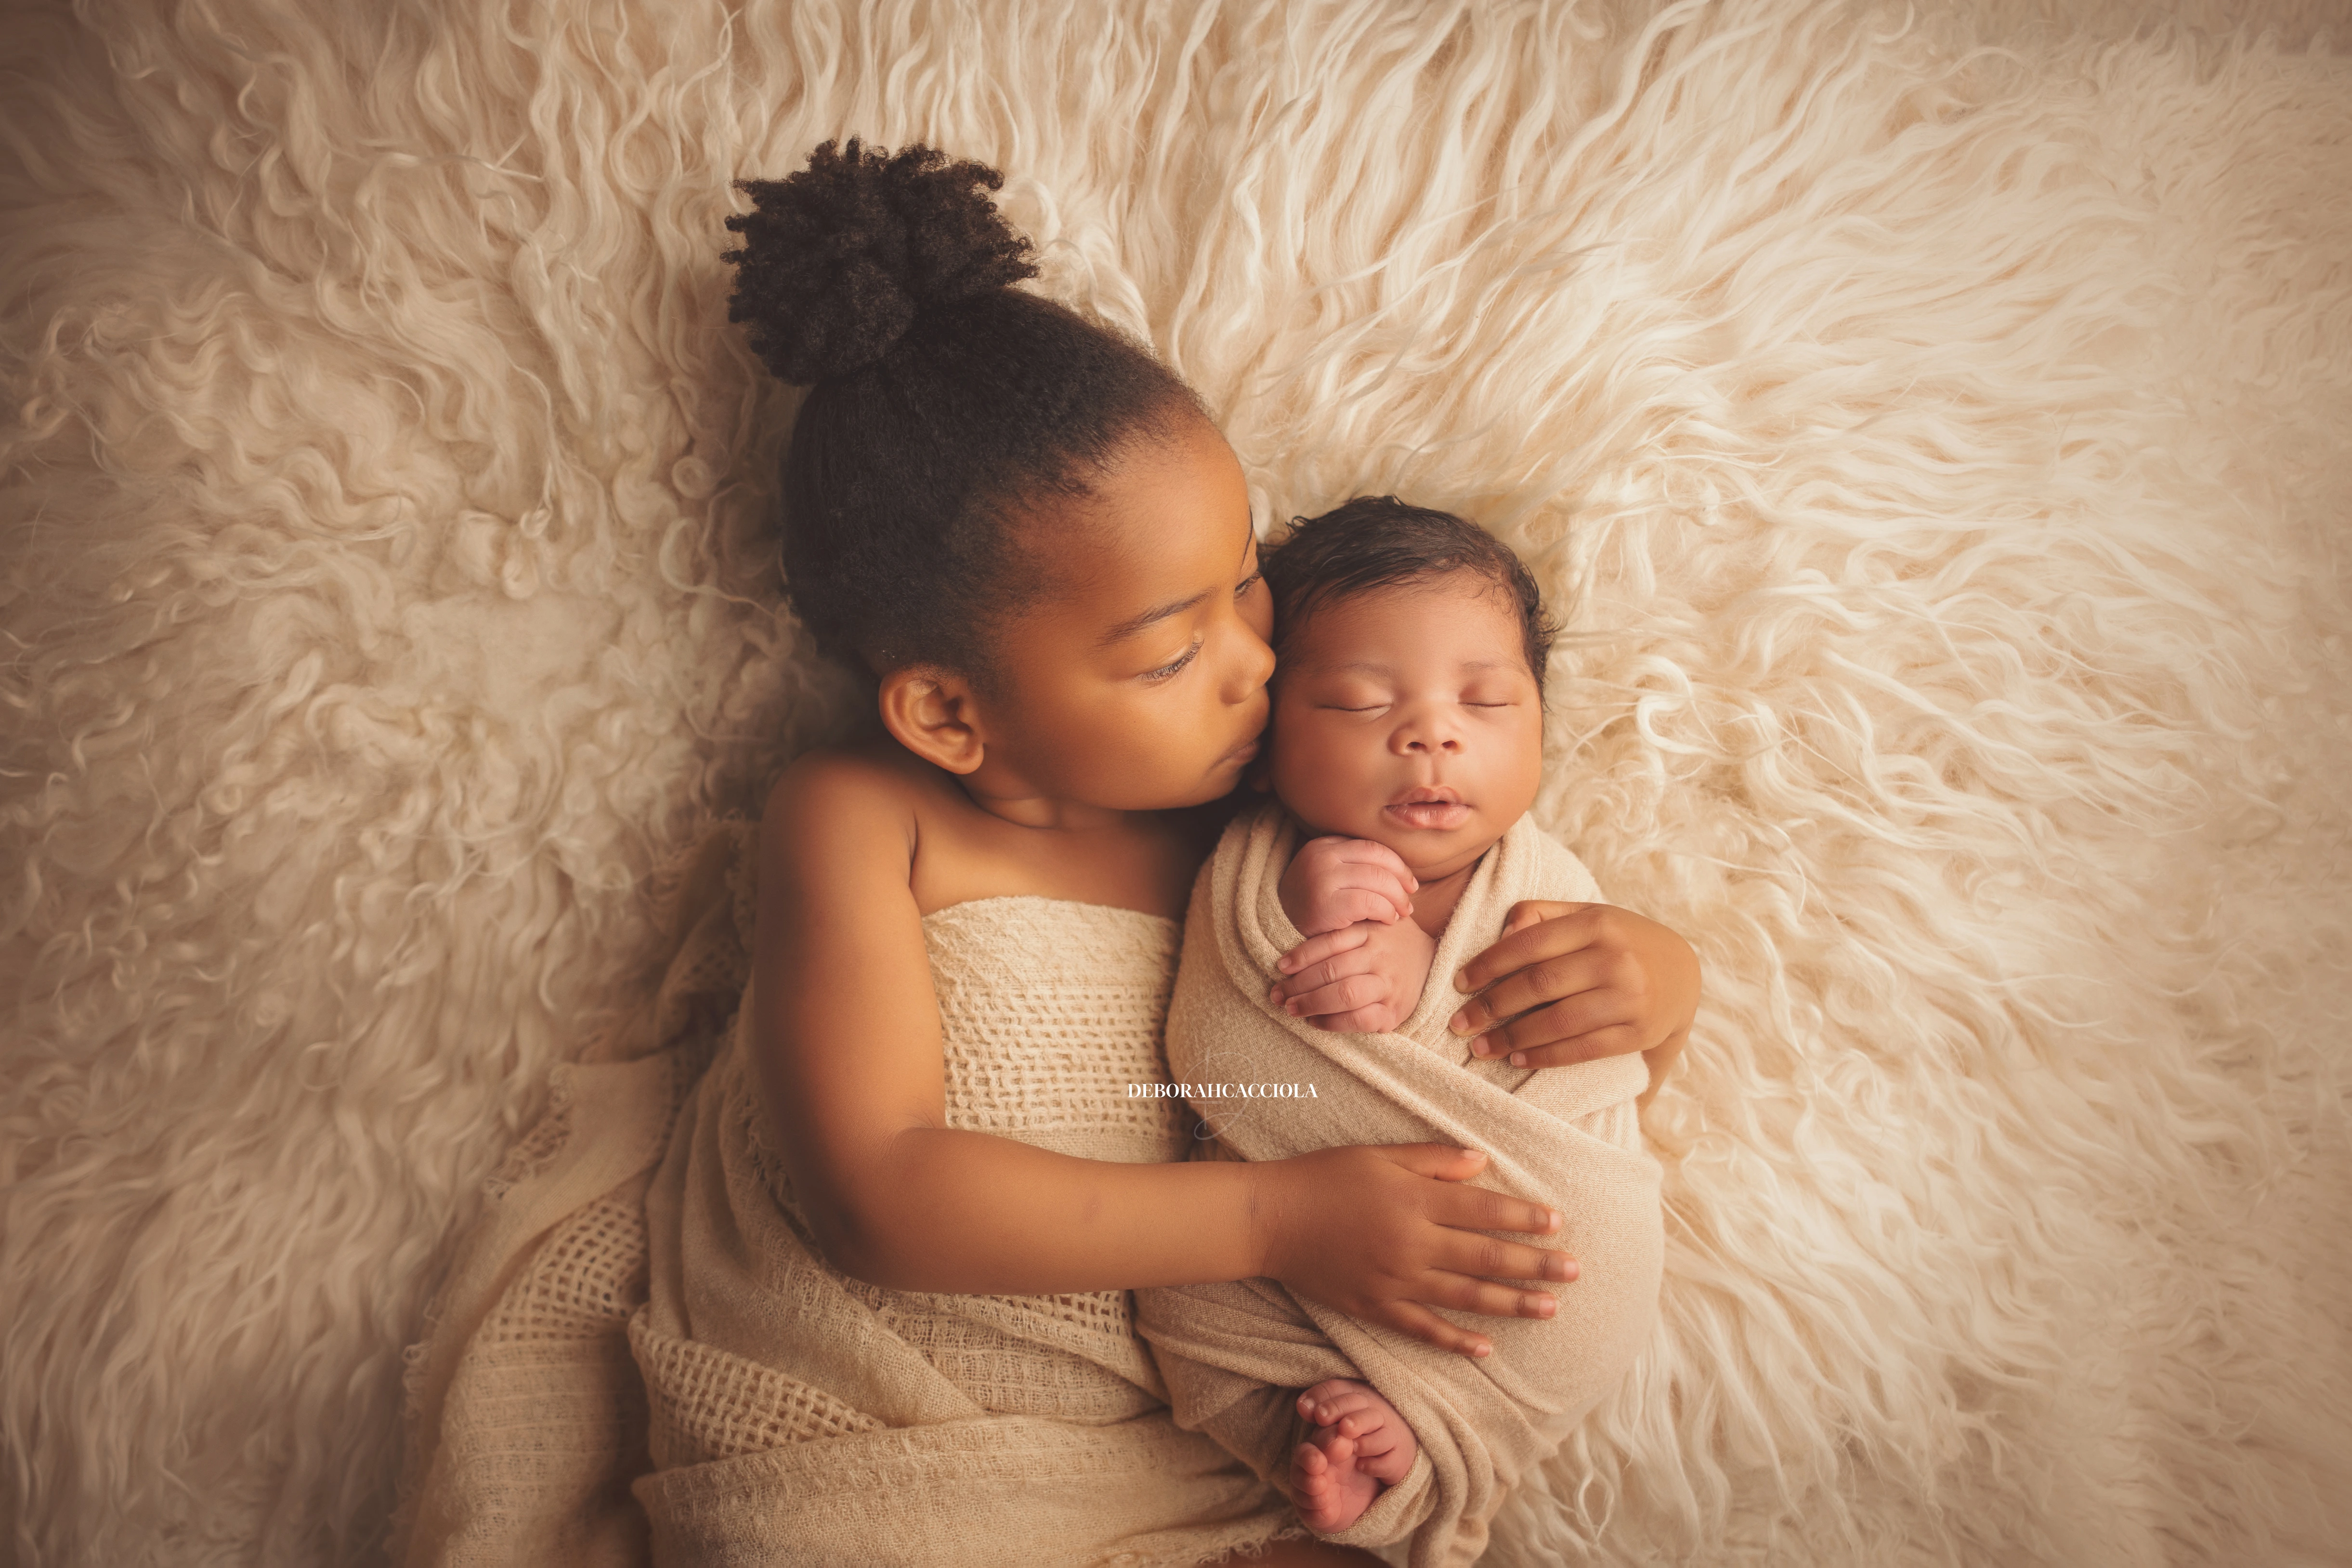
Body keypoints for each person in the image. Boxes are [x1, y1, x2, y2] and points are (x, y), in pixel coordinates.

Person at [624, 138, 1701, 1567]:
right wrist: (1275, 1217)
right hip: (897, 1445)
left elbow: (1474, 1025)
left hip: (1219, 1456)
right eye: (1170, 651)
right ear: (948, 711)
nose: (1257, 665)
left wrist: (1650, 983)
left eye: (1245, 591)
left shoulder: (1257, 822)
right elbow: (877, 1196)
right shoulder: (857, 816)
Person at [1134, 498, 1671, 1568]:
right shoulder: (1255, 877)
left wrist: (1434, 990)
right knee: (1182, 1299)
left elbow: (1593, 1071)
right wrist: (1296, 921)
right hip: (1298, 1280)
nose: (1433, 733)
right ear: (1271, 736)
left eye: (1486, 698)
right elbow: (1221, 1062)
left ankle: (1413, 1438)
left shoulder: (1544, 887)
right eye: (1357, 700)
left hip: (1551, 1260)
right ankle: (1376, 1439)